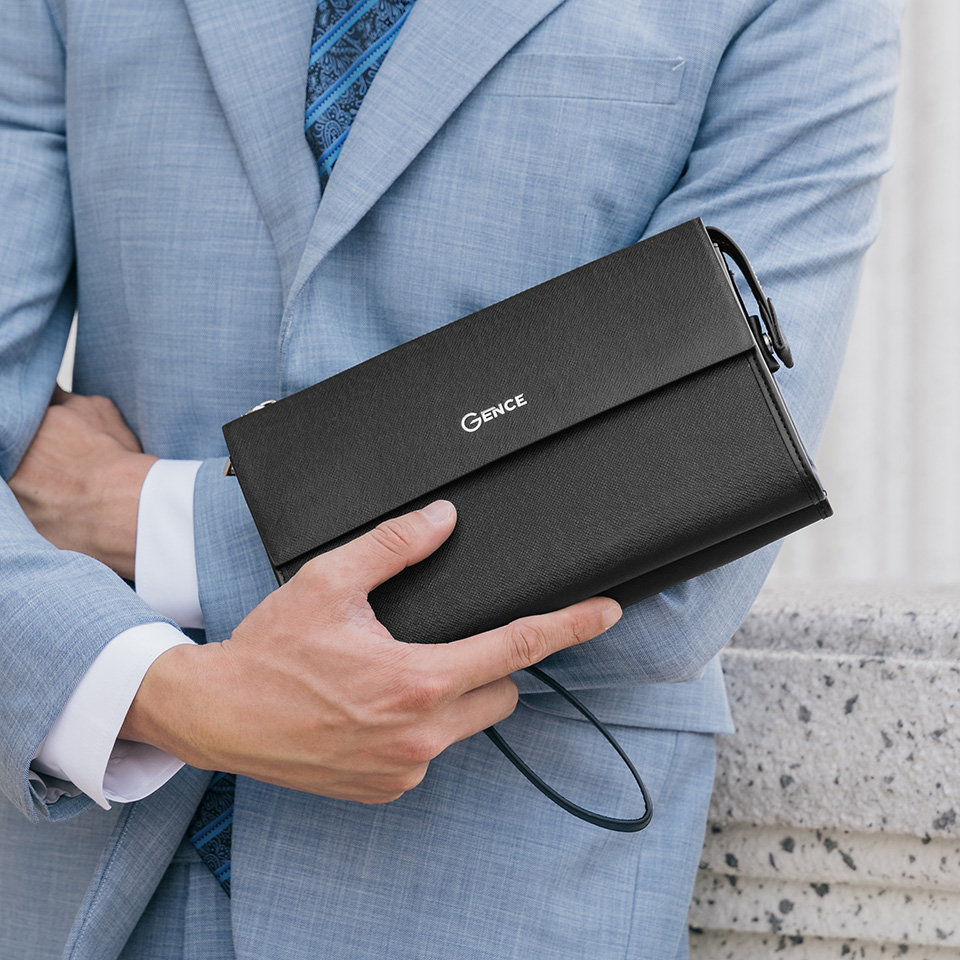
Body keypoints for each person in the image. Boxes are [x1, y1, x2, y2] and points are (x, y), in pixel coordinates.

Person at [0, 0, 901, 957]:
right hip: (72, 869)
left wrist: (155, 520)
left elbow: (702, 518)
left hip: (499, 889)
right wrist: (154, 692)